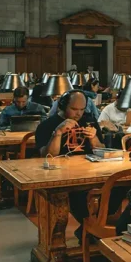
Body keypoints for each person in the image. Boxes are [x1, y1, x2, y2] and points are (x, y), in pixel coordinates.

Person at [34, 91, 104, 239]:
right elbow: (47, 156)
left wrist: (93, 138)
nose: (78, 113)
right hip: (61, 176)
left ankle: (93, 229)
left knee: (116, 191)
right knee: (77, 199)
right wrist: (58, 133)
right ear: (62, 105)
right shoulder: (47, 125)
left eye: (82, 109)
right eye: (74, 109)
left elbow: (101, 149)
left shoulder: (89, 120)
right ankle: (90, 229)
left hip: (90, 173)